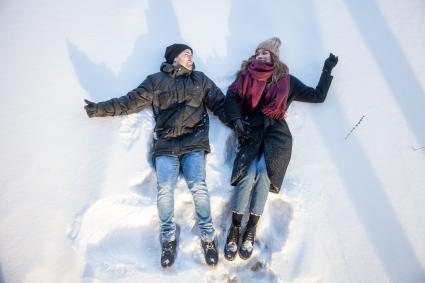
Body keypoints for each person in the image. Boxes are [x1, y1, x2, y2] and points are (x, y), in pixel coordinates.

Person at [84, 43, 228, 268]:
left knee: (198, 186)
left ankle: (208, 237)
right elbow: (129, 102)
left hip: (194, 143)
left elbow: (221, 104)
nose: (191, 58)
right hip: (166, 144)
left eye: (191, 55)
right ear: (174, 58)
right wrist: (101, 109)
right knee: (164, 189)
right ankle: (168, 238)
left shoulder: (199, 79)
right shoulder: (155, 81)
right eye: (186, 54)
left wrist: (238, 121)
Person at [223, 37, 338, 260]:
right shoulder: (245, 77)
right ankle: (236, 227)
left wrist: (327, 69)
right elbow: (231, 98)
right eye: (258, 53)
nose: (260, 56)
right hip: (251, 129)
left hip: (277, 133)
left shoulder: (287, 80)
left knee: (265, 174)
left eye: (265, 53)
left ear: (273, 56)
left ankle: (251, 229)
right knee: (247, 174)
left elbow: (318, 96)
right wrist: (237, 120)